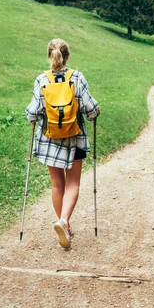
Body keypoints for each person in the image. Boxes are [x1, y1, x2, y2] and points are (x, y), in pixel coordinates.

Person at [25, 38, 100, 249]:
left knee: (57, 184)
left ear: (50, 55)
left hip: (50, 138)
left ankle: (63, 223)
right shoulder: (77, 77)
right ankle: (64, 222)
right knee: (73, 183)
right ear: (67, 56)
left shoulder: (42, 80)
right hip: (74, 137)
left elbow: (32, 113)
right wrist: (96, 111)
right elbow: (90, 110)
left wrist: (33, 119)